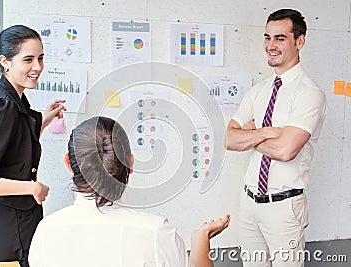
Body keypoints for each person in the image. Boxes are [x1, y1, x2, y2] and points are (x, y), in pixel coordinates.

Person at [28, 116, 230, 267]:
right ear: (130, 164)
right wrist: (201, 239)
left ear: (69, 164)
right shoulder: (156, 232)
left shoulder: (45, 232)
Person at [226, 9, 326, 267]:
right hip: (249, 204)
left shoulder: (309, 94)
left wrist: (249, 135)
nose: (271, 45)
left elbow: (285, 150)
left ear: (299, 42)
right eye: (267, 37)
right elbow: (229, 139)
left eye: (280, 38)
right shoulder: (258, 91)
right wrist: (267, 132)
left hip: (284, 209)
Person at [0, 25, 66, 267]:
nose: (38, 67)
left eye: (40, 58)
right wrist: (32, 188)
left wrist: (45, 118)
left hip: (19, 214)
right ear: (5, 61)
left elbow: (18, 145)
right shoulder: (3, 105)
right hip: (8, 220)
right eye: (28, 59)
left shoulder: (15, 97)